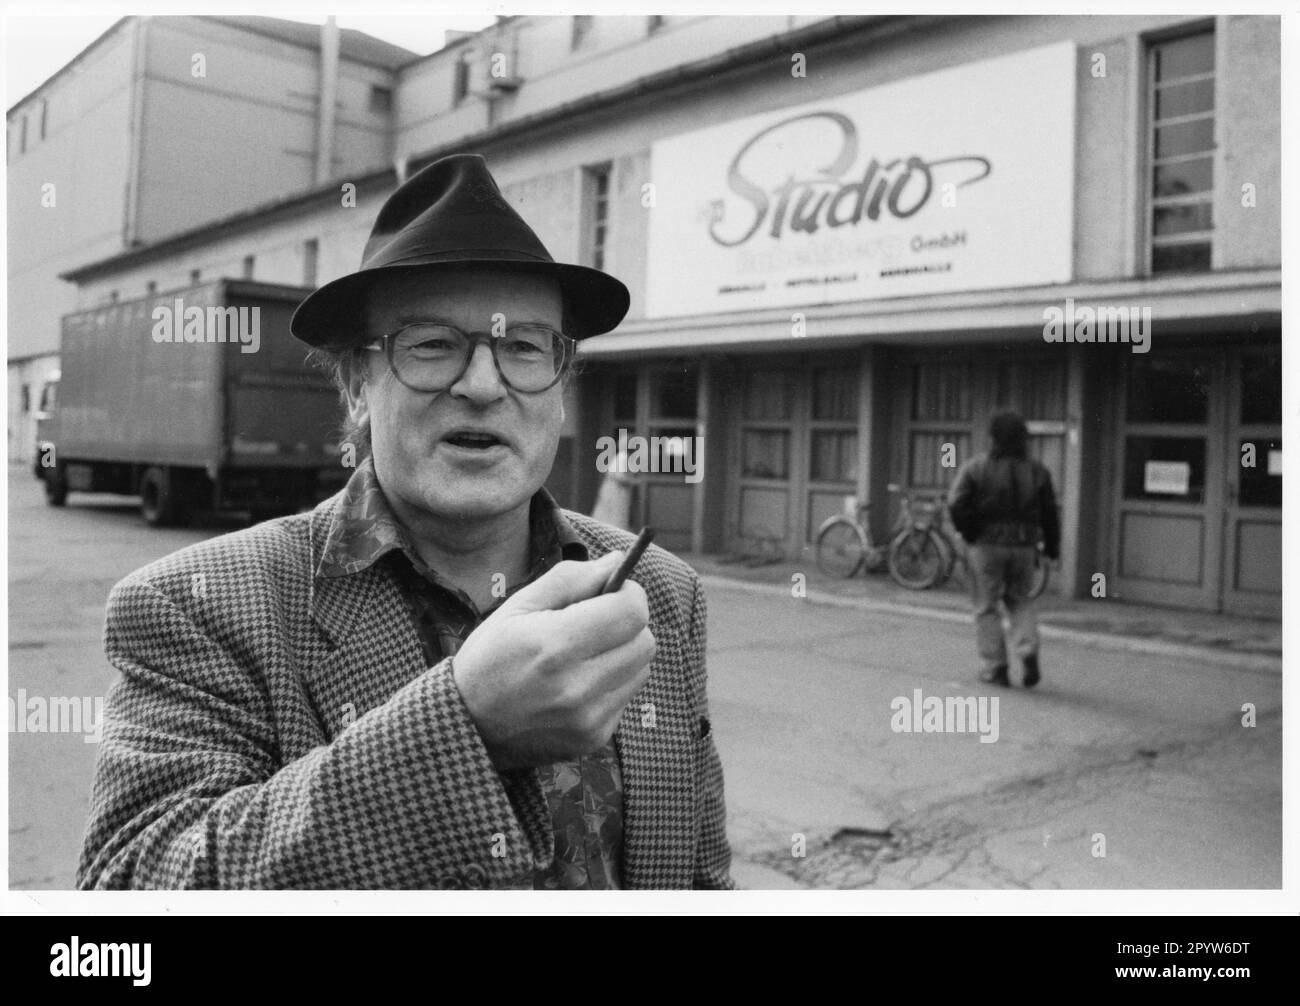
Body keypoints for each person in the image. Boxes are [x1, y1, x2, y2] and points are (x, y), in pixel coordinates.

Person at [76, 154, 733, 890]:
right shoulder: (197, 604)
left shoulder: (663, 594)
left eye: (522, 346)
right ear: (359, 386)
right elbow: (130, 889)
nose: (483, 385)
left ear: (562, 386)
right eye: (431, 344)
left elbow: (701, 880)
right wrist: (464, 726)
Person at [947, 411, 1060, 688]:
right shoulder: (1038, 471)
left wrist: (970, 532)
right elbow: (1049, 514)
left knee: (986, 606)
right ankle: (1028, 648)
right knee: (1020, 599)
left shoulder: (976, 467)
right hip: (1023, 546)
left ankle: (995, 667)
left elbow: (956, 503)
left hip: (986, 546)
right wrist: (1052, 548)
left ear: (993, 438)